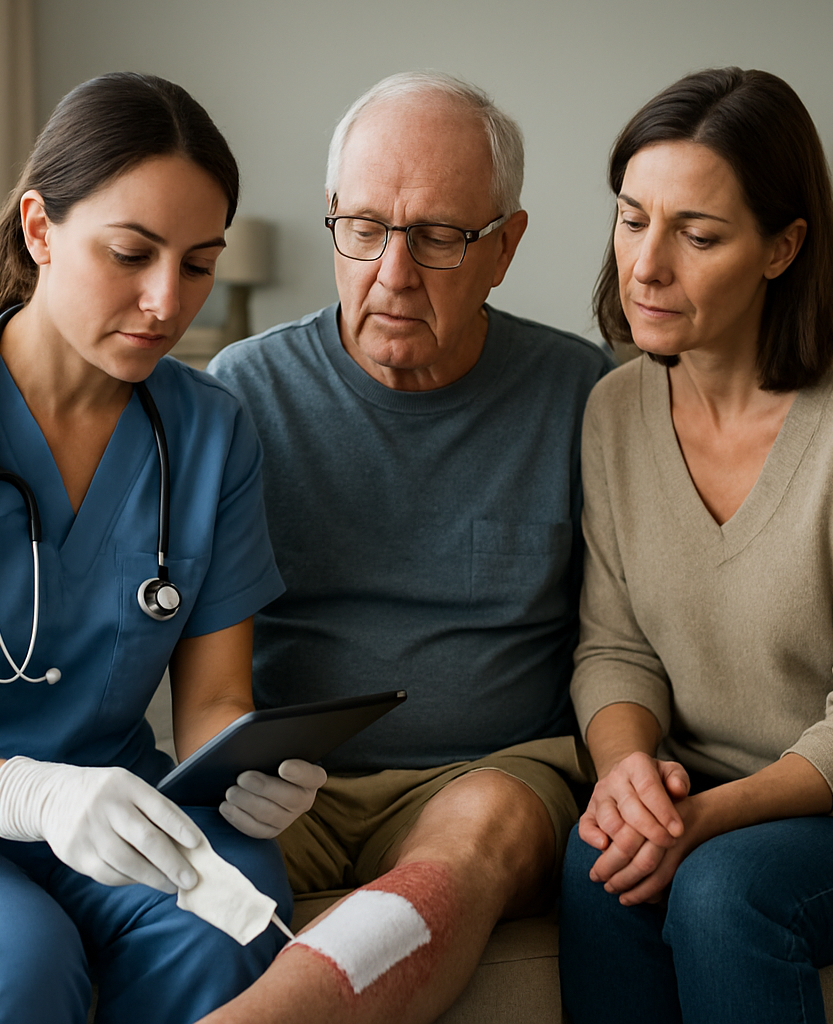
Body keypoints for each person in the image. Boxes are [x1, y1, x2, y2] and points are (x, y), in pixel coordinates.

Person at [0, 72, 328, 1024]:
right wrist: (32, 796)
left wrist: (251, 772)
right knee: (14, 963)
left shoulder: (209, 435)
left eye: (198, 265)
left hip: (118, 801)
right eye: (131, 253)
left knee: (228, 927)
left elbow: (216, 702)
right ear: (39, 229)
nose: (166, 301)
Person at [204, 72, 613, 1024]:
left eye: (438, 236)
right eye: (365, 229)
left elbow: (625, 636)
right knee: (174, 884)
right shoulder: (239, 394)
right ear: (333, 222)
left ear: (505, 246)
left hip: (487, 775)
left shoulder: (584, 399)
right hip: (283, 782)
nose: (393, 273)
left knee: (470, 845)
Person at [558, 66, 833, 1024]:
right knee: (600, 859)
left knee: (719, 887)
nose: (646, 264)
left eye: (697, 235)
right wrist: (628, 778)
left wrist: (697, 822)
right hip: (701, 782)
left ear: (784, 247)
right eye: (631, 218)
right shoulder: (615, 408)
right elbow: (612, 648)